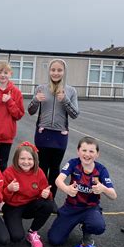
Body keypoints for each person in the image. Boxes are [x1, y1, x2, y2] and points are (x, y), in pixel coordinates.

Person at [48, 136, 117, 247]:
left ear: (97, 154)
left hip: (90, 208)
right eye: (84, 150)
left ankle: (87, 229)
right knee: (54, 240)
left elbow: (113, 195)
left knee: (98, 226)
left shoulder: (101, 170)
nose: (87, 154)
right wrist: (67, 189)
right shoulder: (73, 163)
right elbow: (58, 180)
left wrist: (103, 189)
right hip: (71, 207)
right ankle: (68, 221)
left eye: (91, 151)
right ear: (78, 151)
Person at [28, 58, 79, 199]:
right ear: (49, 71)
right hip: (42, 134)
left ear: (64, 72)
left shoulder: (71, 91)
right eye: (53, 70)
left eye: (59, 70)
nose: (55, 73)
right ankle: (39, 197)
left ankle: (50, 199)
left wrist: (65, 100)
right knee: (42, 168)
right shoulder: (40, 88)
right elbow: (31, 111)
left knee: (55, 168)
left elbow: (75, 114)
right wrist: (35, 100)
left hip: (60, 135)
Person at [2, 142, 54, 247]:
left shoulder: (38, 172)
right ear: (16, 159)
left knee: (48, 204)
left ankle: (32, 232)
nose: (26, 162)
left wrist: (46, 194)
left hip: (30, 205)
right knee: (16, 237)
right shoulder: (9, 172)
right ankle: (9, 220)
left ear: (35, 160)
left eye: (30, 159)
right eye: (22, 159)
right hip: (13, 207)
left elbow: (47, 191)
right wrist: (9, 189)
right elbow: (1, 197)